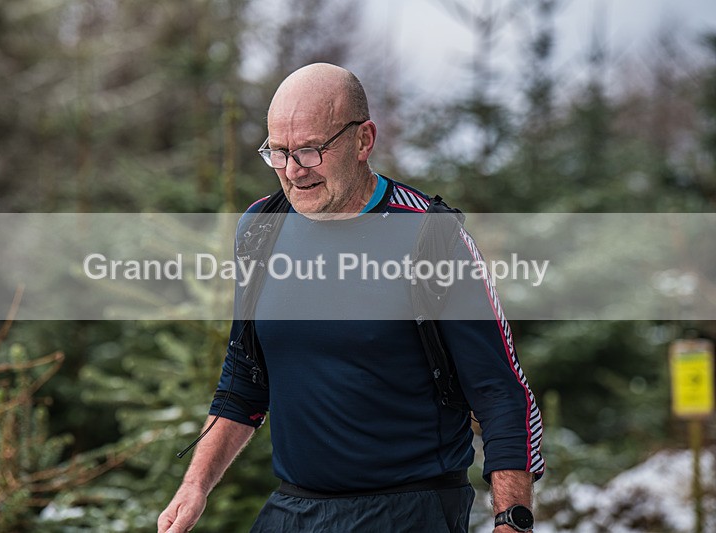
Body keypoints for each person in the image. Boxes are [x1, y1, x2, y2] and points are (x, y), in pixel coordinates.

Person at [158, 63, 544, 533]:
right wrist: (195, 484)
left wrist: (512, 521)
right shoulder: (260, 229)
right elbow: (245, 380)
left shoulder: (430, 235)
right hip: (294, 509)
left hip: (409, 510)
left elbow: (500, 391)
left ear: (363, 140)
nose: (292, 171)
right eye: (277, 153)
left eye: (309, 151)